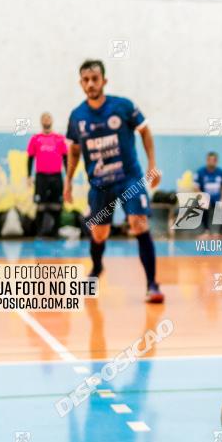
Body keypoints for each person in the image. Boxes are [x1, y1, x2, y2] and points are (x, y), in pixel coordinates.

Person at [64, 59, 164, 304]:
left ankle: (152, 284)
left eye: (94, 79)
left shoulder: (123, 106)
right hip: (99, 184)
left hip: (129, 178)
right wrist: (67, 181)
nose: (90, 84)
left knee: (138, 222)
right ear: (80, 83)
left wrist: (152, 166)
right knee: (99, 234)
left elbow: (145, 130)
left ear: (104, 81)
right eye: (85, 80)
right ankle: (97, 268)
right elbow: (75, 151)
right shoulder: (77, 116)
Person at [26, 112, 67, 237]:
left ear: (52, 120)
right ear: (41, 121)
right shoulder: (35, 138)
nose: (46, 120)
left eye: (48, 117)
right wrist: (28, 176)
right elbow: (30, 158)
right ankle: (39, 232)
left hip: (56, 176)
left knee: (57, 205)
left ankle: (55, 232)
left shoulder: (59, 138)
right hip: (41, 177)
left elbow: (66, 158)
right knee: (40, 205)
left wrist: (69, 177)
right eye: (44, 118)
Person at [193, 151, 222, 238]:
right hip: (206, 197)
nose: (211, 162)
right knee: (203, 204)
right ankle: (206, 230)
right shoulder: (200, 172)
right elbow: (196, 187)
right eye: (209, 160)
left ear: (216, 161)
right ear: (207, 160)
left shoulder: (220, 172)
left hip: (217, 198)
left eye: (213, 160)